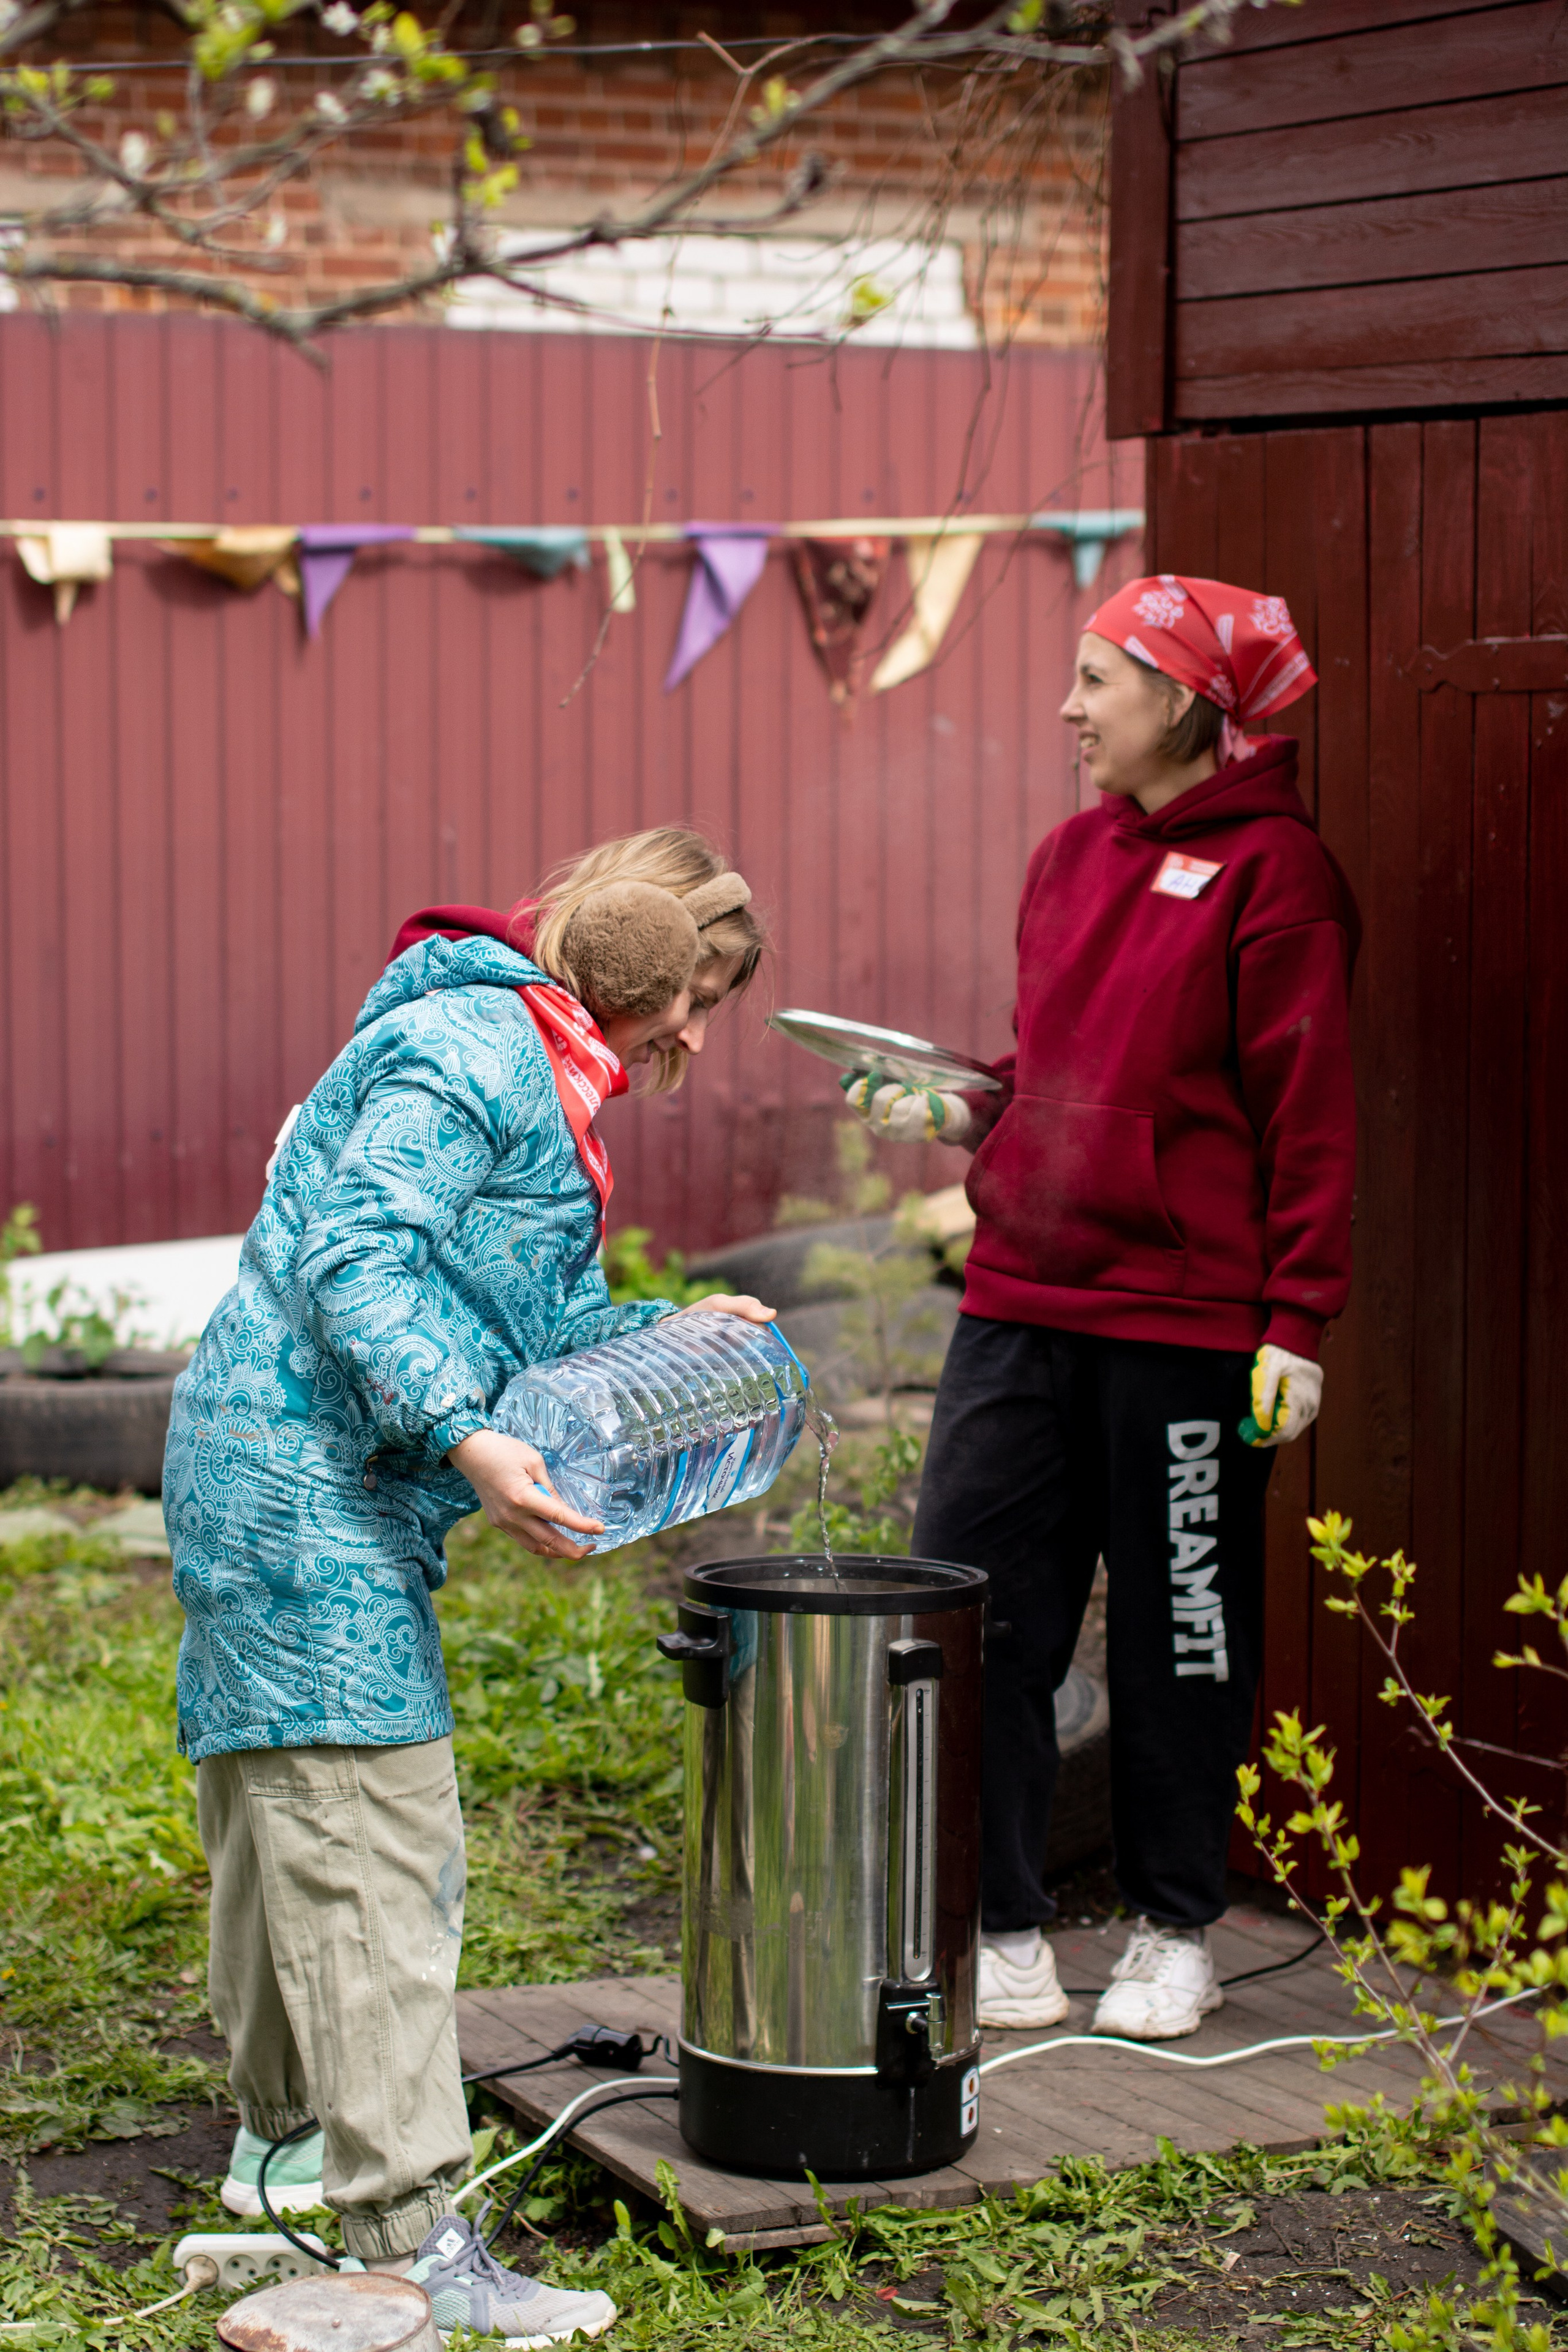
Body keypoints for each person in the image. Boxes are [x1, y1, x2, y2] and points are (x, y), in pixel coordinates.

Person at [164, 827, 771, 2340]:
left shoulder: (523, 1061)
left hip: (280, 1472)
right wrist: (473, 1436)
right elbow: (357, 1256)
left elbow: (534, 1313)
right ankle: (414, 2235)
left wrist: (667, 1326)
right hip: (308, 1486)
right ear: (627, 941)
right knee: (373, 1823)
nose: (694, 1031)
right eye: (693, 990)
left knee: (282, 1804)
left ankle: (288, 2153)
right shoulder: (472, 1045)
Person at [845, 576, 1359, 2041]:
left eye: (1094, 684)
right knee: (974, 1613)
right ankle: (1000, 1925)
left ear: (1181, 702)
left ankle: (1171, 1927)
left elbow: (1305, 1117)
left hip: (1189, 1328)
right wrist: (962, 1109)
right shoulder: (1069, 857)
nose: (1068, 712)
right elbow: (1054, 1078)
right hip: (1019, 1299)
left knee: (1179, 1631)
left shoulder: (1279, 880)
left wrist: (1295, 1323)